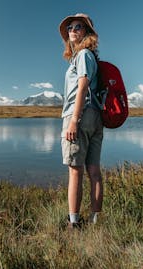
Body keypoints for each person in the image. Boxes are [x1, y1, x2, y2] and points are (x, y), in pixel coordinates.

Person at [58, 13, 104, 229]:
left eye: (78, 27)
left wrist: (74, 120)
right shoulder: (90, 56)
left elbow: (83, 85)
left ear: (87, 32)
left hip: (80, 115)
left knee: (75, 170)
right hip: (95, 116)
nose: (73, 30)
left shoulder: (84, 55)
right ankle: (95, 222)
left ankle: (74, 223)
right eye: (70, 28)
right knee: (93, 171)